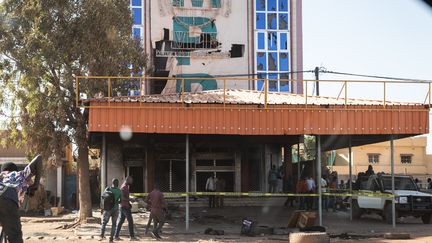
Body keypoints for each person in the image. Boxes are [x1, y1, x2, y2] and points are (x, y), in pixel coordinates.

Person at [0, 155, 42, 243]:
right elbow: (39, 158)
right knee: (15, 236)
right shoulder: (18, 174)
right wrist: (36, 184)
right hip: (8, 199)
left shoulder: (1, 177)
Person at [115, 176, 137, 240]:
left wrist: (130, 200)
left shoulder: (126, 186)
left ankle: (116, 236)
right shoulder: (123, 187)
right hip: (124, 207)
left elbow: (125, 196)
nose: (132, 182)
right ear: (128, 180)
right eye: (131, 180)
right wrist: (130, 199)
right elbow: (122, 197)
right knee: (130, 221)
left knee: (121, 221)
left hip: (124, 206)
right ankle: (132, 237)